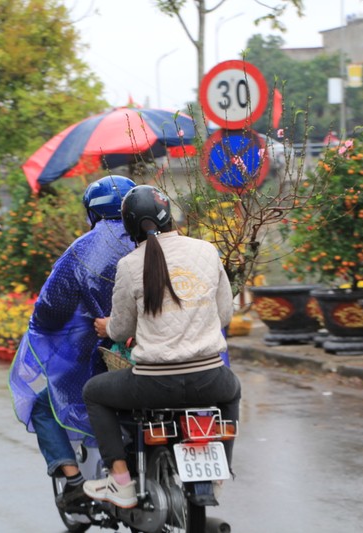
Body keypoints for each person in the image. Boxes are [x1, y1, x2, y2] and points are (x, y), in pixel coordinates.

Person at [82, 185, 241, 509]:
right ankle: (220, 471)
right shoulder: (206, 251)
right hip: (210, 379)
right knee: (233, 390)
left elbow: (123, 328)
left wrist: (107, 326)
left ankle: (121, 481)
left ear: (128, 227)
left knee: (93, 392)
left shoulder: (129, 264)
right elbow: (225, 312)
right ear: (170, 215)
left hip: (152, 384)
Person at [8, 175, 136, 511]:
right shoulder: (164, 243)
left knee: (45, 403)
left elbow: (51, 308)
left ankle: (74, 480)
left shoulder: (82, 251)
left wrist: (47, 326)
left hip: (109, 355)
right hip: (189, 363)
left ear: (92, 212)